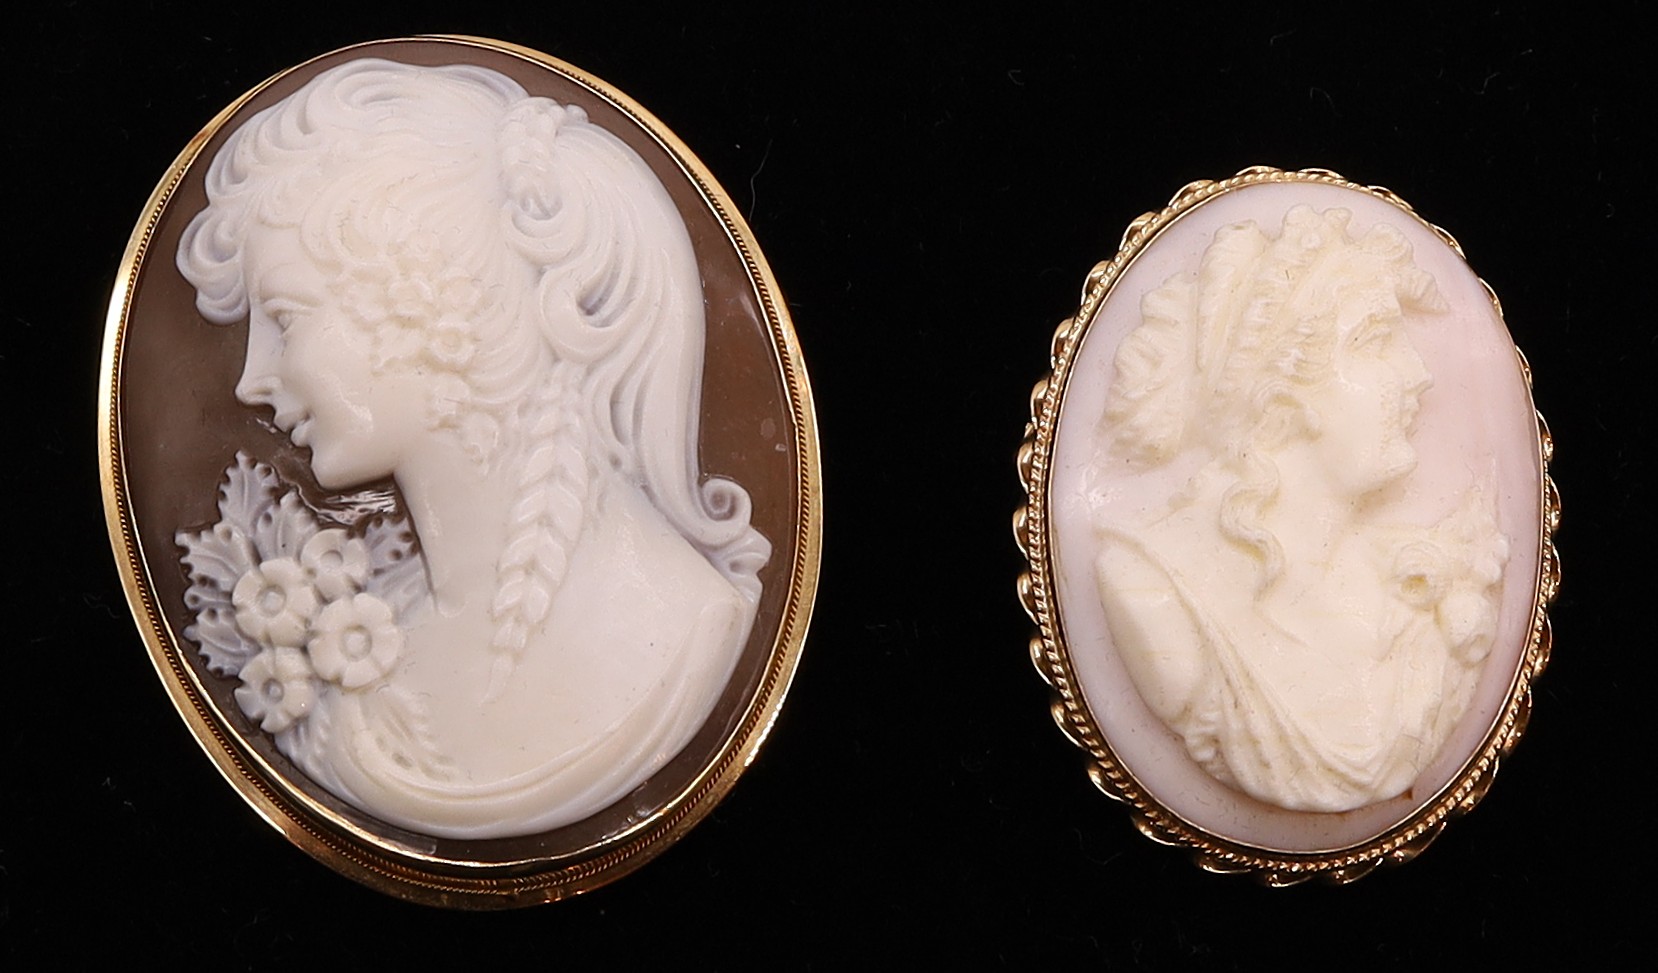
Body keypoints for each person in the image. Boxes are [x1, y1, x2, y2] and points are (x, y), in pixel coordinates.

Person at [175, 58, 768, 839]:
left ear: (431, 303)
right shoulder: (358, 633)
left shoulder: (677, 627)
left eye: (286, 316)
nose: (252, 380)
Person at [1093, 205, 1508, 813]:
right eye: (1376, 342)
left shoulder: (1417, 577)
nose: (1418, 375)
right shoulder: (1154, 590)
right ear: (1281, 391)